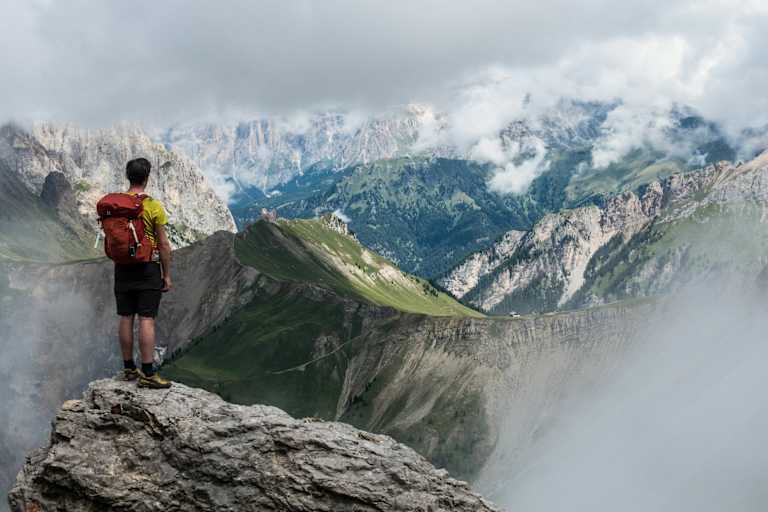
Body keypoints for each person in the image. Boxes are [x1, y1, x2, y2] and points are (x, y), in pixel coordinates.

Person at [114, 158, 173, 389]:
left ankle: (128, 368)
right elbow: (164, 244)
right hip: (148, 267)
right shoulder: (153, 206)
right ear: (147, 178)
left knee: (126, 316)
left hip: (122, 268)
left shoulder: (116, 205)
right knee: (147, 319)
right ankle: (148, 373)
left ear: (128, 176)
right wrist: (166, 275)